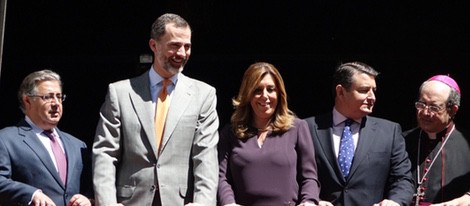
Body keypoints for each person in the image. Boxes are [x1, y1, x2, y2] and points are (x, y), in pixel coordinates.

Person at [92, 13, 219, 206]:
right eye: (175, 45)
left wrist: (203, 203)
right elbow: (105, 153)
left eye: (187, 46)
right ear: (154, 45)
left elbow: (205, 157)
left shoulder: (204, 94)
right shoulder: (120, 92)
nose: (182, 53)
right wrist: (107, 203)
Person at [304, 61, 414, 206]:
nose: (372, 97)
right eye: (364, 90)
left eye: (374, 90)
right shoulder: (306, 128)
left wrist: (395, 202)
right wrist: (311, 201)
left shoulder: (389, 132)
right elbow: (295, 177)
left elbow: (403, 179)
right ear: (340, 92)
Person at [217, 62, 320, 206]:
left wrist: (309, 201)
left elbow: (309, 176)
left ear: (279, 94)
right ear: (247, 94)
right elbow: (222, 177)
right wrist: (228, 203)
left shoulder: (297, 128)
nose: (264, 96)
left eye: (271, 89)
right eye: (257, 90)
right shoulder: (230, 133)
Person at [0, 70, 92, 206]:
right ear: (27, 100)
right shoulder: (6, 139)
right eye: (47, 97)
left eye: (59, 97)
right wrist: (31, 194)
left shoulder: (78, 145)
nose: (56, 103)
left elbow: (91, 184)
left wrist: (88, 198)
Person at [403, 75, 470, 205]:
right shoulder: (402, 140)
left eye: (434, 107)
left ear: (453, 110)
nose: (425, 112)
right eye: (421, 104)